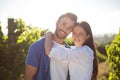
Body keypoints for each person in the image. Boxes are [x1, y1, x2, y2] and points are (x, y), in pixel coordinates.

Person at [24, 12, 77, 80]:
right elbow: (28, 77)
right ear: (57, 22)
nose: (65, 29)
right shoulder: (37, 47)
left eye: (69, 28)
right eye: (63, 24)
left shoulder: (69, 51)